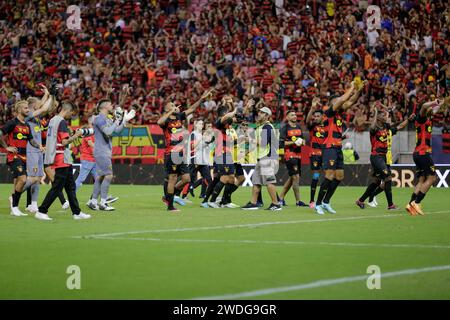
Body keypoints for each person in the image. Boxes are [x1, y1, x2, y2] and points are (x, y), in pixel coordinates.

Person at [35, 101, 91, 221]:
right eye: (72, 113)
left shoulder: (53, 120)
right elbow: (65, 142)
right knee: (57, 187)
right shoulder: (61, 122)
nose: (71, 116)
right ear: (67, 110)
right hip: (61, 157)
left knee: (70, 187)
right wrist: (77, 135)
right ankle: (41, 210)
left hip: (61, 156)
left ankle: (76, 212)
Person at [159, 89, 213, 211]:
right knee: (172, 178)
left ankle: (168, 196)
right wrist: (169, 112)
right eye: (172, 105)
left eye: (175, 105)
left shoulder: (179, 116)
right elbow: (159, 121)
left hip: (182, 153)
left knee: (186, 179)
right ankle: (170, 205)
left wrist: (201, 99)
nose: (175, 106)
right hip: (171, 153)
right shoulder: (166, 120)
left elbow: (192, 109)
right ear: (167, 109)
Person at [315, 81, 362, 215]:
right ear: (332, 103)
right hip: (329, 148)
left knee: (339, 176)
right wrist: (352, 87)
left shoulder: (339, 115)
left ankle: (326, 202)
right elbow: (343, 99)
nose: (341, 103)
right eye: (337, 102)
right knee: (329, 176)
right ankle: (318, 204)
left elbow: (351, 101)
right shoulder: (328, 112)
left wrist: (359, 90)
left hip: (337, 148)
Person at [356, 106, 411, 210]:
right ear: (378, 118)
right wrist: (376, 113)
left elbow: (398, 125)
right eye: (383, 115)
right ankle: (390, 205)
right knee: (388, 178)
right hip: (376, 156)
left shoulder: (386, 127)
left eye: (385, 115)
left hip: (383, 157)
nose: (385, 116)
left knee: (376, 181)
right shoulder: (374, 129)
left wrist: (408, 119)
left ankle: (361, 200)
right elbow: (372, 127)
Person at [89, 89, 136, 211]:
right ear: (104, 107)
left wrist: (125, 121)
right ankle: (103, 203)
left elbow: (117, 132)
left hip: (103, 150)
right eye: (110, 105)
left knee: (100, 176)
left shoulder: (107, 119)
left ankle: (93, 201)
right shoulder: (99, 118)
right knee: (108, 175)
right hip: (101, 151)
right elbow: (108, 131)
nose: (112, 107)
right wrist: (117, 120)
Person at [0, 100, 47, 216]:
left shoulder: (26, 125)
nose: (28, 110)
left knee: (18, 182)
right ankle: (15, 206)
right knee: (23, 180)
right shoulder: (12, 123)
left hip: (24, 157)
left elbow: (30, 139)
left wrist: (39, 146)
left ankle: (14, 208)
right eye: (26, 108)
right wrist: (7, 147)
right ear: (19, 110)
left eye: (28, 108)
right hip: (14, 156)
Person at [406, 97, 449, 216]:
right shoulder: (422, 118)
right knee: (432, 178)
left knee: (422, 180)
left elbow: (434, 110)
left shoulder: (428, 118)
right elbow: (425, 106)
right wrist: (435, 102)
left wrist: (442, 103)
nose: (432, 108)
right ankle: (416, 202)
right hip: (422, 153)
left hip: (418, 154)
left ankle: (410, 204)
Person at [241, 106, 281, 211]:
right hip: (261, 158)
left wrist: (249, 139)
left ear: (267, 116)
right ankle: (253, 203)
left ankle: (275, 204)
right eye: (259, 112)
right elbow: (254, 143)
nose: (259, 114)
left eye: (262, 113)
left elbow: (263, 143)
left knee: (269, 181)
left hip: (267, 157)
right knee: (256, 182)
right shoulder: (260, 127)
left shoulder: (267, 127)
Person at [278, 110, 308, 207]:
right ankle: (298, 201)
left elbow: (302, 140)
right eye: (292, 115)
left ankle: (280, 198)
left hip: (298, 155)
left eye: (295, 114)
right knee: (295, 177)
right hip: (289, 154)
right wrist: (293, 142)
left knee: (292, 178)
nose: (295, 116)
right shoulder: (284, 128)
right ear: (287, 118)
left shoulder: (299, 127)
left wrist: (302, 142)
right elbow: (281, 143)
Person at [306, 97, 326, 208]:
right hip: (315, 154)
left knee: (328, 177)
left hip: (325, 155)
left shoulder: (327, 127)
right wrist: (312, 108)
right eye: (315, 116)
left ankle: (323, 200)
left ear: (323, 117)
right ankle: (312, 200)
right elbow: (307, 121)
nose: (316, 118)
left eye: (318, 116)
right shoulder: (313, 126)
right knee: (316, 176)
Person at [75, 116, 96, 191]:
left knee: (99, 180)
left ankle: (94, 200)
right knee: (81, 179)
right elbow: (90, 143)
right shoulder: (88, 132)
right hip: (87, 159)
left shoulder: (93, 131)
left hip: (94, 159)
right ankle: (71, 197)